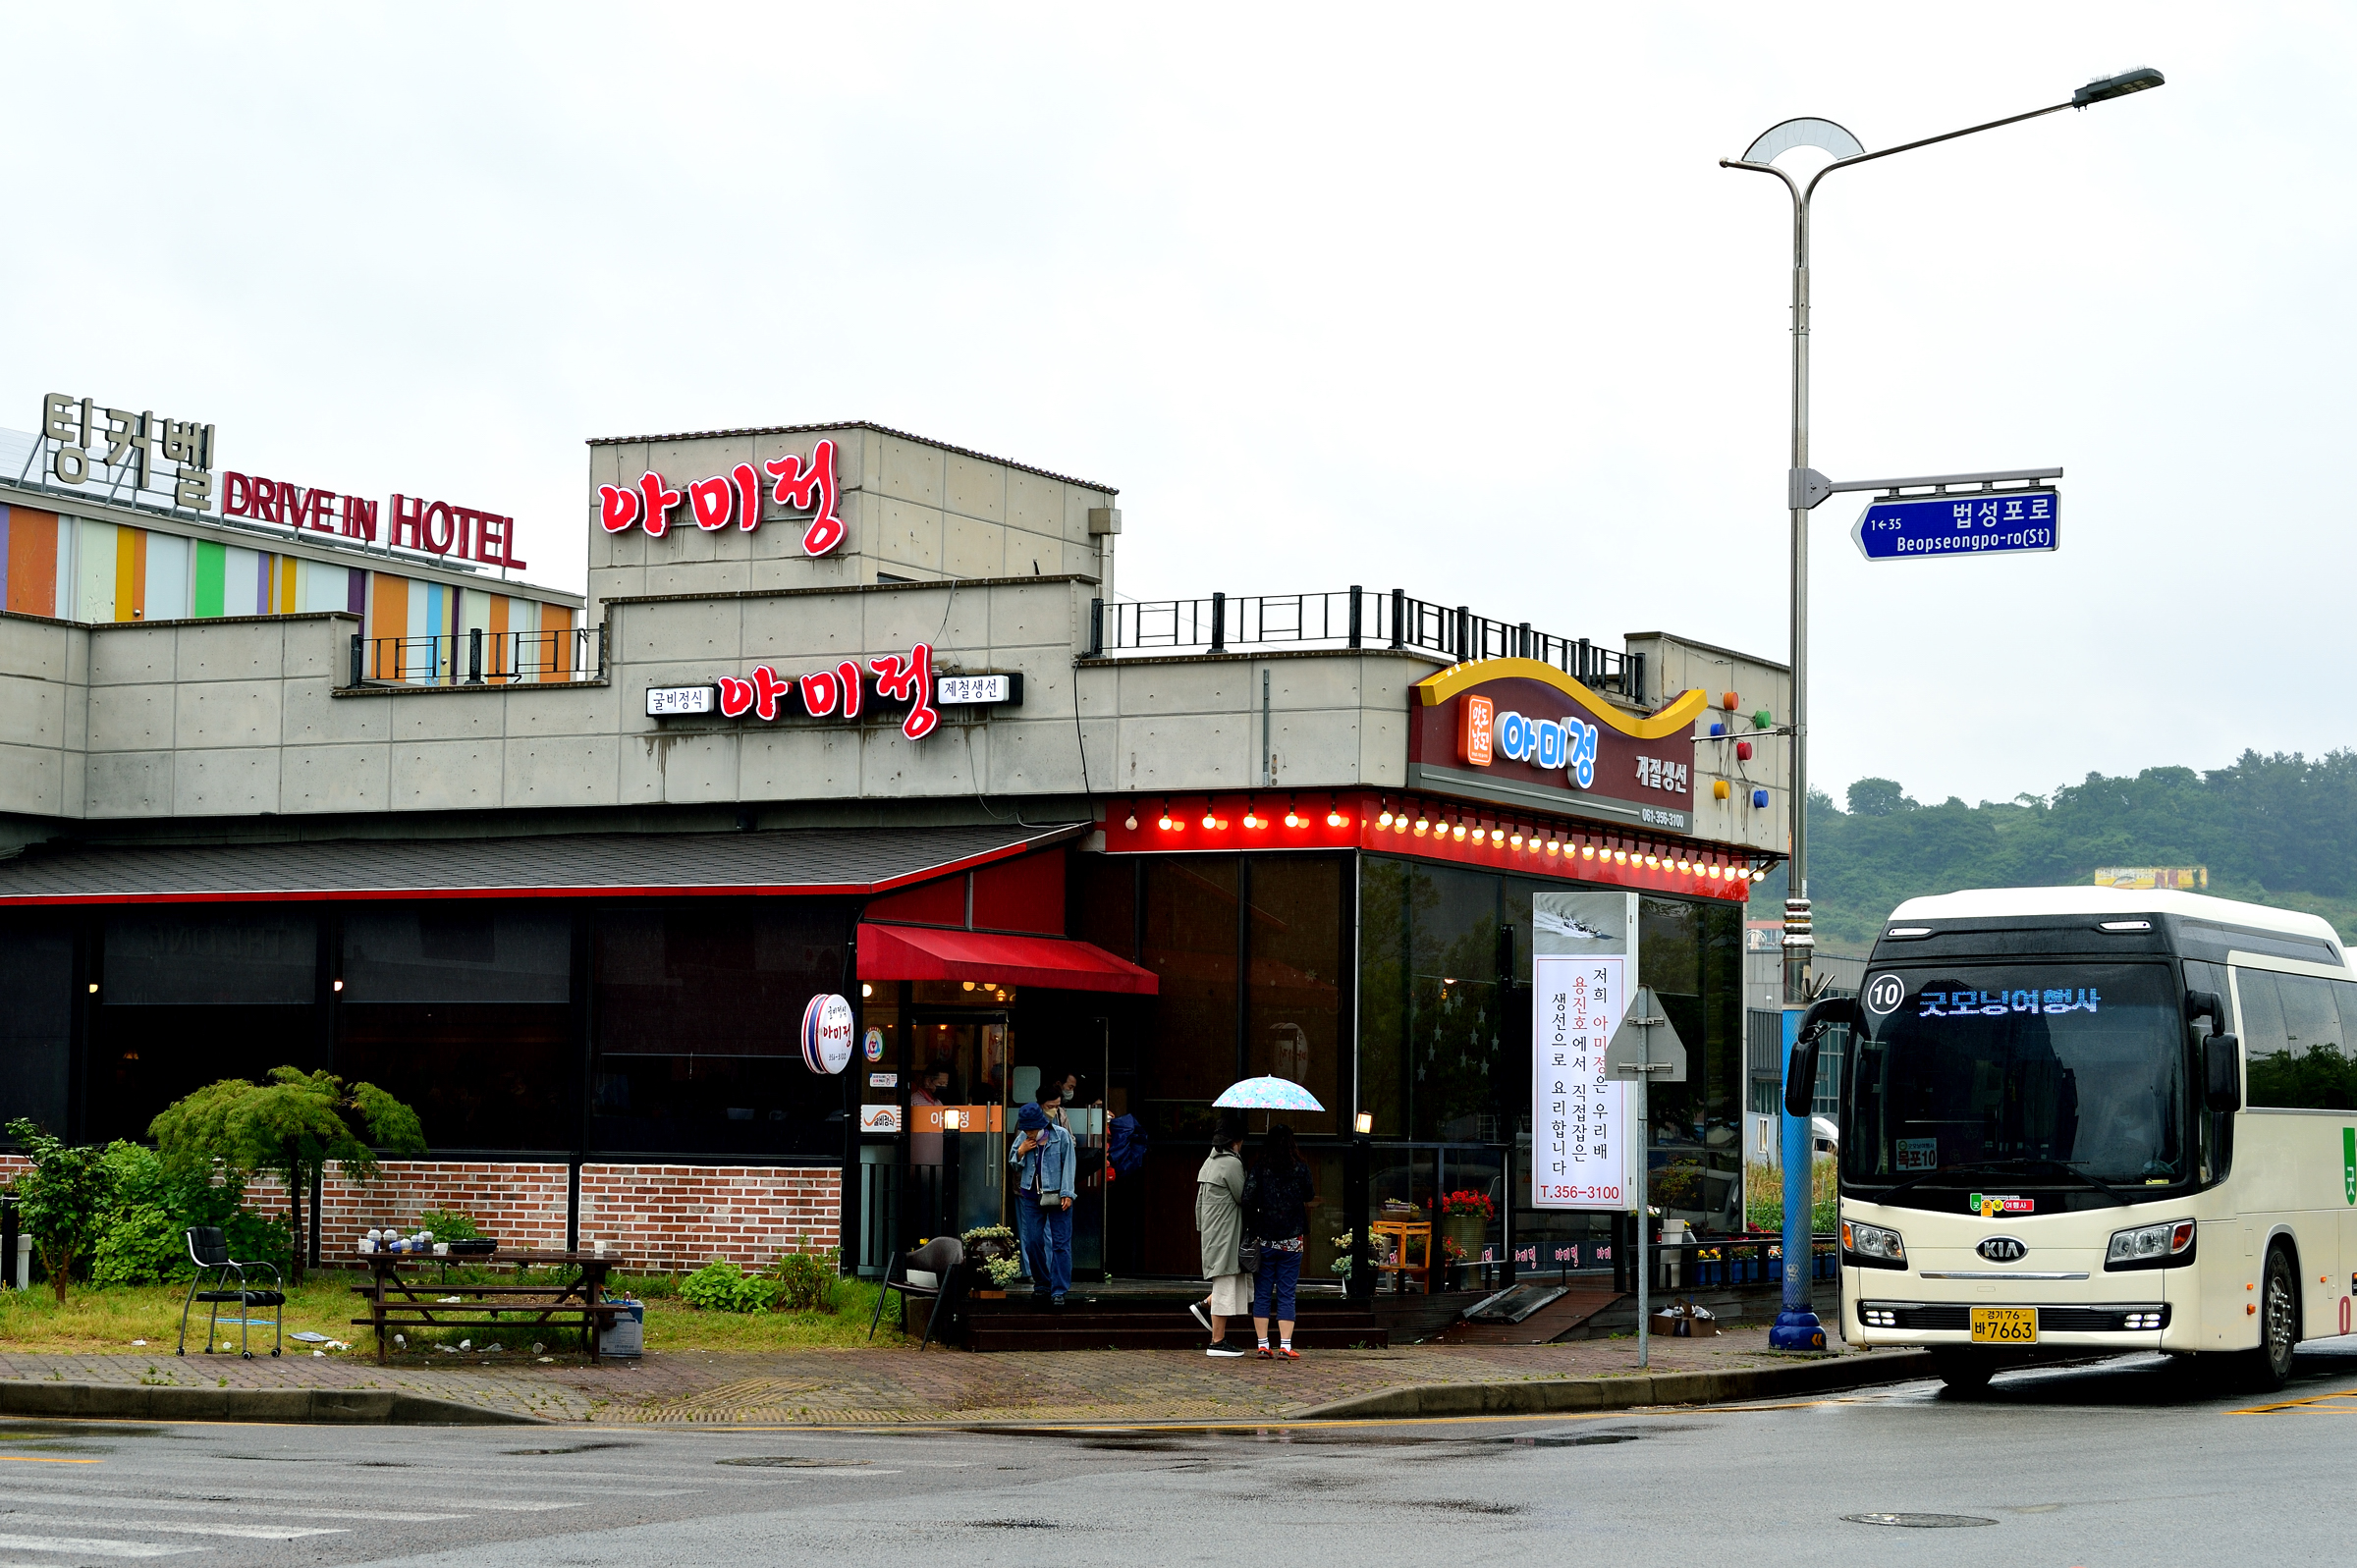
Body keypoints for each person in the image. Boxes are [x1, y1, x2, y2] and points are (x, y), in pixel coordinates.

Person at [1243, 1122, 1315, 1360]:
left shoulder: (1260, 1168)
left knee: (1262, 1292)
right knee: (1286, 1293)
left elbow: (1247, 1197)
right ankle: (1285, 1345)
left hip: (1265, 1238)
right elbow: (1309, 1194)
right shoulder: (1300, 1168)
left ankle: (1263, 1345)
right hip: (1292, 1241)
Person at [1010, 1084, 1076, 1306]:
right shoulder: (1023, 1137)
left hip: (1058, 1194)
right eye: (1026, 1129)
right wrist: (1021, 1152)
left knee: (1060, 1244)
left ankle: (1058, 1290)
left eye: (1032, 1129)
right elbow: (1014, 1164)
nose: (1029, 1133)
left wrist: (1067, 1193)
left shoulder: (1061, 1136)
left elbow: (1069, 1164)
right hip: (1031, 1195)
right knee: (1033, 1242)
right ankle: (1042, 1284)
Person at [1192, 1112, 1251, 1357]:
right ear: (1236, 1141)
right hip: (1227, 1232)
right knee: (1226, 1282)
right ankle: (1217, 1341)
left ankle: (1206, 1304)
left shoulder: (1211, 1161)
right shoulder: (1232, 1163)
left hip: (1213, 1231)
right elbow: (1243, 1197)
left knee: (1226, 1280)